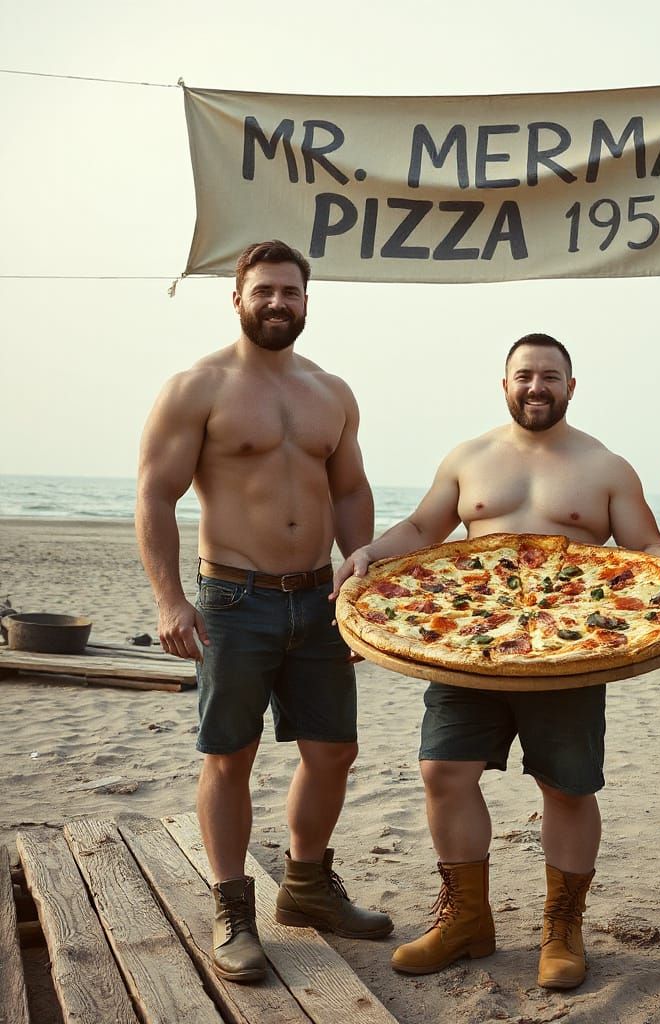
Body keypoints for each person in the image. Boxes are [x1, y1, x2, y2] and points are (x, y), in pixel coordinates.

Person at [336, 332, 660, 990]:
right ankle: (467, 919)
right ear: (504, 384)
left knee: (568, 788)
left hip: (570, 653)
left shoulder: (606, 466)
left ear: (571, 387)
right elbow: (422, 531)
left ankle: (562, 927)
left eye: (550, 376)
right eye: (524, 375)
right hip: (471, 647)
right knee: (443, 770)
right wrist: (370, 556)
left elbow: (645, 546)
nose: (536, 386)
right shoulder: (470, 457)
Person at [136, 239, 392, 985]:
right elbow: (155, 495)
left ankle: (308, 887)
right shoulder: (197, 387)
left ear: (307, 302)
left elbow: (349, 490)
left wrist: (361, 578)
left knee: (333, 750)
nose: (277, 303)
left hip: (320, 598)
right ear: (239, 297)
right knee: (230, 756)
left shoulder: (330, 391)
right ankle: (233, 908)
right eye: (264, 291)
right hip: (234, 599)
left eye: (290, 292)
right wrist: (169, 598)